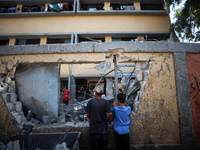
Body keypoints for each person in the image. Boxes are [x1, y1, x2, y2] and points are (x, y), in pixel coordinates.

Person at [86, 86, 112, 150]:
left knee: (94, 147)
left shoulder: (91, 101)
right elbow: (110, 113)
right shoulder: (105, 102)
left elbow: (88, 114)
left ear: (95, 93)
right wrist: (109, 120)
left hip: (94, 129)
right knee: (103, 147)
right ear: (102, 93)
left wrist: (90, 119)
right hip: (103, 129)